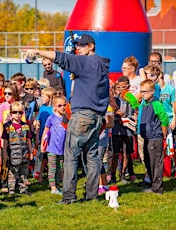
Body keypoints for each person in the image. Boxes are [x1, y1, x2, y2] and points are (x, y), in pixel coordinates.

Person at [23, 33, 110, 203]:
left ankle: (69, 196)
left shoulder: (85, 61)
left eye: (82, 45)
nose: (78, 48)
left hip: (82, 116)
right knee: (92, 158)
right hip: (97, 116)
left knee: (71, 157)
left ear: (91, 46)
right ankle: (92, 196)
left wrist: (37, 51)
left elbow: (60, 58)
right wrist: (79, 77)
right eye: (77, 46)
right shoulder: (101, 64)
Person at [137, 80, 168, 194]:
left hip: (155, 137)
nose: (142, 94)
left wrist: (163, 133)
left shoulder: (156, 103)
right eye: (141, 91)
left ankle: (157, 187)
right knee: (149, 161)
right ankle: (152, 183)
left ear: (152, 91)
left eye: (145, 92)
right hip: (147, 136)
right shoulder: (144, 103)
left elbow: (164, 119)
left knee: (155, 162)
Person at [1, 102, 33, 195]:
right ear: (11, 113)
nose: (17, 115)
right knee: (12, 173)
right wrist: (4, 153)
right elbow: (5, 140)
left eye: (20, 112)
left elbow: (29, 139)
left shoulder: (25, 126)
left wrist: (31, 152)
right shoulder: (7, 126)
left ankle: (23, 188)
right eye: (15, 112)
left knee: (24, 172)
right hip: (12, 154)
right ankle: (11, 189)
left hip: (24, 153)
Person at [112, 76, 137, 184]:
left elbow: (136, 108)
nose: (122, 90)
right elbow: (110, 111)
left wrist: (134, 115)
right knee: (115, 152)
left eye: (124, 87)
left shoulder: (131, 98)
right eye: (119, 87)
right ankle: (112, 175)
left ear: (129, 86)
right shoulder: (114, 98)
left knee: (126, 152)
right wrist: (115, 112)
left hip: (128, 128)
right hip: (117, 127)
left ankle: (122, 174)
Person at [42, 95, 67, 195]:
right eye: (60, 105)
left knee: (60, 168)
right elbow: (46, 131)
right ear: (55, 106)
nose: (62, 107)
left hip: (62, 148)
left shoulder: (67, 118)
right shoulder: (51, 118)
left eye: (64, 105)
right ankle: (53, 187)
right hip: (52, 147)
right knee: (52, 168)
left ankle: (57, 186)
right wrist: (42, 145)